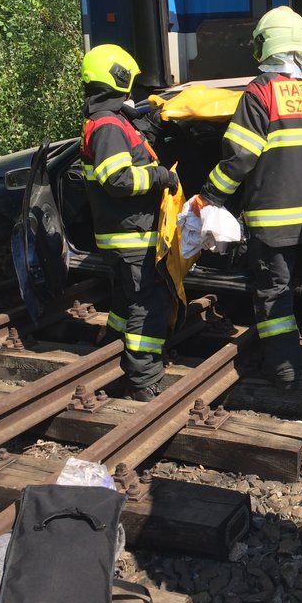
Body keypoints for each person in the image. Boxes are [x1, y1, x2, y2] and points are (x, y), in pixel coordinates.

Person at [190, 6, 302, 388]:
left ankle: (283, 372)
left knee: (274, 297)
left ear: (266, 46)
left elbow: (239, 159)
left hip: (271, 225)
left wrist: (209, 197)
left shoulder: (260, 94)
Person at [80, 44, 179, 401]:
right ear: (118, 77)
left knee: (124, 304)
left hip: (123, 235)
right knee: (147, 304)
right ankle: (143, 379)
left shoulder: (111, 120)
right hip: (130, 234)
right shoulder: (107, 126)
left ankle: (113, 353)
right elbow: (118, 179)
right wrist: (160, 177)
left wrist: (148, 118)